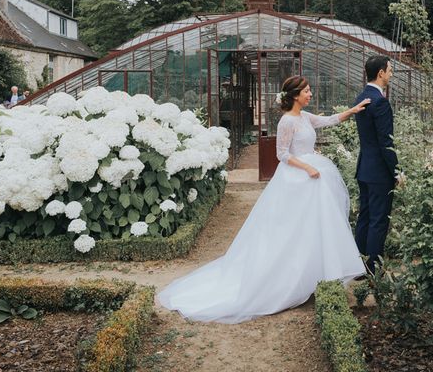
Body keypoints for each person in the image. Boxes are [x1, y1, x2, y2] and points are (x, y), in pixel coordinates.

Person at [158, 76, 371, 323]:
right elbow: (282, 154)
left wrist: (354, 110)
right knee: (290, 231)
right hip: (297, 178)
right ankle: (287, 280)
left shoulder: (304, 116)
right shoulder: (287, 121)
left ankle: (313, 276)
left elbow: (329, 120)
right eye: (307, 91)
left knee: (312, 229)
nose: (310, 94)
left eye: (310, 90)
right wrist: (307, 167)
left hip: (311, 178)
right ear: (294, 95)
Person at [353, 55, 399, 275]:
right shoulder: (380, 102)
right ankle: (373, 270)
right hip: (379, 172)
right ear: (380, 73)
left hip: (364, 168)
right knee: (378, 221)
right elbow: (385, 142)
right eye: (390, 70)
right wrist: (397, 172)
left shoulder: (361, 98)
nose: (391, 74)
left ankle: (359, 266)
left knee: (365, 217)